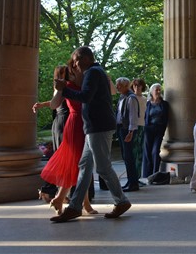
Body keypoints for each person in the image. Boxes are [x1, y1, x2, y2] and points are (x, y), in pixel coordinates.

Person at [51, 46, 131, 222]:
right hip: (94, 127)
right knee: (84, 166)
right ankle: (75, 207)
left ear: (85, 59)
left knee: (102, 167)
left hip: (98, 126)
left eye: (76, 61)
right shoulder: (97, 72)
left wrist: (64, 89)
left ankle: (122, 200)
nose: (75, 65)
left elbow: (85, 96)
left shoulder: (92, 73)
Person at [38, 61, 96, 215]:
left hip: (80, 123)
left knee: (80, 165)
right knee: (79, 165)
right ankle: (67, 199)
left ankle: (77, 201)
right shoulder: (68, 86)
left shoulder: (79, 84)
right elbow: (54, 104)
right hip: (75, 125)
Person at [33, 65, 69, 202]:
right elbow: (57, 103)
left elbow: (55, 102)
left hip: (61, 122)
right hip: (64, 122)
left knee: (61, 156)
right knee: (63, 157)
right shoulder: (63, 86)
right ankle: (53, 190)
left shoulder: (59, 87)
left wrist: (42, 104)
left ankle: (50, 190)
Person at [115, 77, 141, 192]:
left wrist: (130, 132)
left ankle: (133, 183)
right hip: (121, 128)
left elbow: (133, 117)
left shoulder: (131, 98)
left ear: (125, 86)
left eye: (119, 85)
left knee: (129, 157)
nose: (117, 87)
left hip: (127, 130)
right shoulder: (122, 97)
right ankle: (130, 181)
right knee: (125, 156)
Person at [143, 83, 169, 178]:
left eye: (159, 90)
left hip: (159, 129)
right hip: (148, 129)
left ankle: (154, 174)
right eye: (156, 90)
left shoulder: (164, 104)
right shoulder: (147, 103)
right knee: (147, 151)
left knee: (155, 151)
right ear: (151, 92)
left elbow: (166, 118)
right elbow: (144, 116)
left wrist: (163, 128)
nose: (158, 92)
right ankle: (146, 174)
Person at [131, 78, 147, 185]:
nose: (137, 88)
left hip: (142, 126)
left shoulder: (145, 99)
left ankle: (137, 177)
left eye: (139, 86)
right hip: (133, 127)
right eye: (135, 86)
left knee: (140, 153)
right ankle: (133, 177)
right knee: (133, 152)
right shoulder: (131, 98)